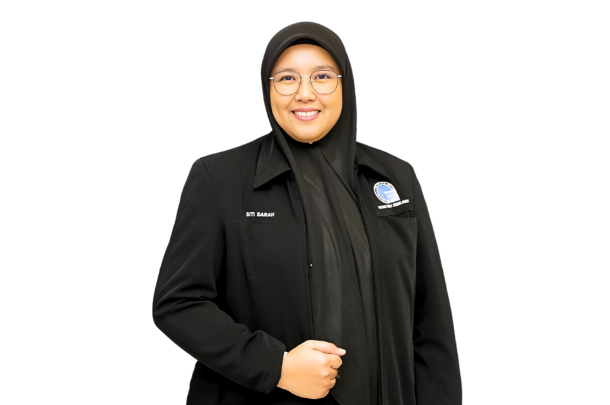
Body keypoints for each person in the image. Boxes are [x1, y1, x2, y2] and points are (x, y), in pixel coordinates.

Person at [152, 21, 461, 405]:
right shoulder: (220, 179)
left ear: (345, 84)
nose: (304, 92)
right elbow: (179, 303)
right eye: (287, 78)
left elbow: (430, 322)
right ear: (268, 89)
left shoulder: (394, 178)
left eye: (322, 76)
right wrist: (276, 366)